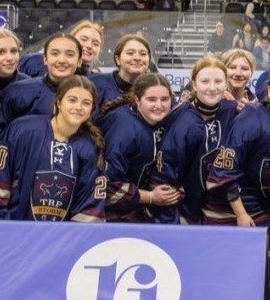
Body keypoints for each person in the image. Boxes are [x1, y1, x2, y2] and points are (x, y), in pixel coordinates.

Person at [0, 75, 105, 244]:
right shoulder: (21, 130)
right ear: (58, 102)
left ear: (92, 109)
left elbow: (90, 207)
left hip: (54, 250)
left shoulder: (89, 149)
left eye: (86, 103)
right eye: (72, 100)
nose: (78, 107)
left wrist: (64, 245)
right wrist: (6, 233)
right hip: (6, 244)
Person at [204, 68, 270, 225]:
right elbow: (224, 172)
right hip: (228, 213)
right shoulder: (249, 119)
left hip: (268, 210)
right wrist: (241, 214)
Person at [148, 56, 238, 224]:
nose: (212, 87)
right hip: (184, 214)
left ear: (226, 84)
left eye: (218, 81)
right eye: (205, 81)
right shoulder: (182, 122)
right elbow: (165, 177)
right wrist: (174, 222)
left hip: (215, 213)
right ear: (194, 85)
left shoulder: (232, 111)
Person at [99, 73, 182, 221]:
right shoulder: (124, 130)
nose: (159, 105)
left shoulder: (161, 119)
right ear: (137, 100)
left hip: (135, 211)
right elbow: (106, 187)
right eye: (151, 100)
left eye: (165, 99)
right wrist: (150, 197)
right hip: (110, 218)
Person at [0, 33, 82, 140]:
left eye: (70, 54)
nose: (61, 60)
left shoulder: (90, 96)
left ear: (79, 61)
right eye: (55, 54)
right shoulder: (16, 92)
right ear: (45, 59)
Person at [19, 20, 103, 77]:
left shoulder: (94, 79)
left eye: (95, 44)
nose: (89, 45)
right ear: (71, 38)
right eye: (84, 39)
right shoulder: (34, 61)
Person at [90, 34, 151, 106]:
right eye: (130, 53)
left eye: (143, 54)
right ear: (117, 59)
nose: (137, 58)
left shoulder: (157, 89)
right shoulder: (96, 83)